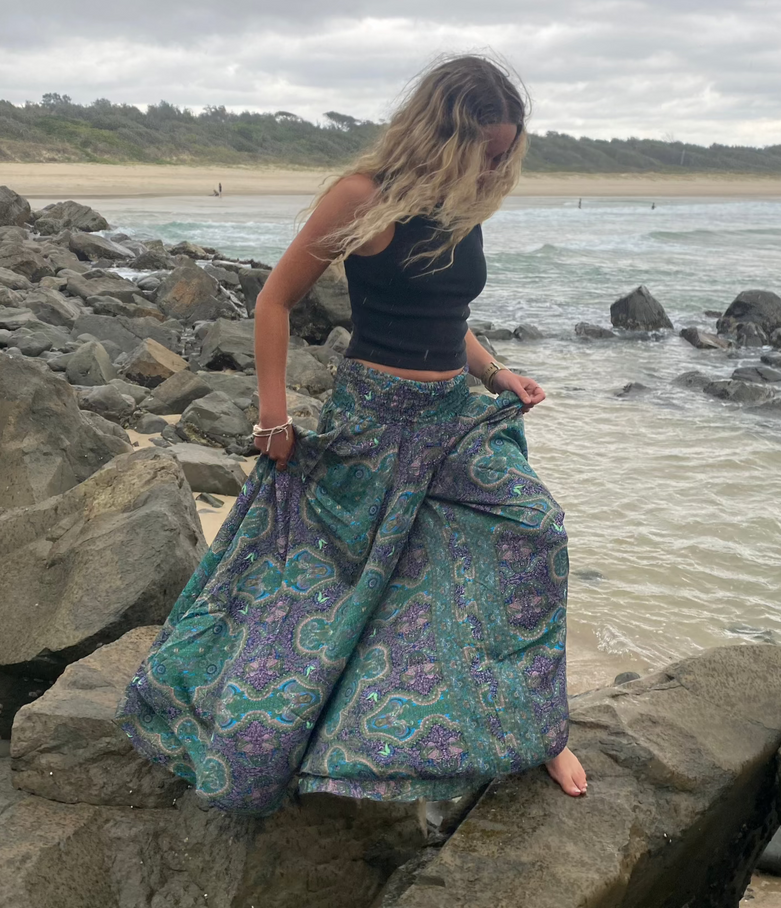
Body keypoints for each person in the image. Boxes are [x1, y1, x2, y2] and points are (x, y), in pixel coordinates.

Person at [116, 55, 586, 815]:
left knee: (535, 533)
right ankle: (330, 748)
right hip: (374, 424)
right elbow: (274, 301)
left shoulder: (459, 205)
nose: (496, 164)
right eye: (486, 151)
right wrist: (272, 417)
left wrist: (497, 375)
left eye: (505, 153)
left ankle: (532, 726)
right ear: (445, 132)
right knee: (336, 593)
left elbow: (448, 318)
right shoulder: (361, 198)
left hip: (452, 422)